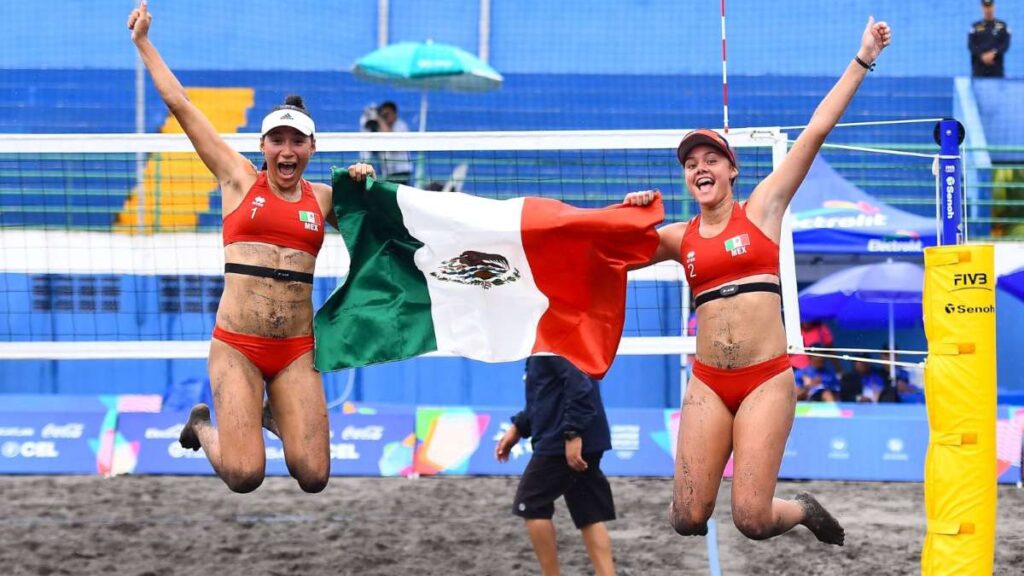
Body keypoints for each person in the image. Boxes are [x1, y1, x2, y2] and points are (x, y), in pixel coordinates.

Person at [623, 17, 891, 545]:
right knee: (686, 519)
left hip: (765, 379)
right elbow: (611, 252)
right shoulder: (679, 237)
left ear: (732, 169)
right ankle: (753, 505)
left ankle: (801, 508)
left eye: (711, 159)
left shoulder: (762, 209)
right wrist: (628, 214)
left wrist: (863, 58)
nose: (700, 167)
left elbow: (815, 131)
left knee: (751, 517)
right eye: (691, 163)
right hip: (708, 381)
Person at [128, 1, 376, 493]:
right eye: (277, 140)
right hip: (238, 346)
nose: (287, 150)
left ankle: (268, 412)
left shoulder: (325, 198)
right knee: (244, 475)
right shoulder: (237, 179)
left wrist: (366, 178)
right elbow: (181, 104)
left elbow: (382, 224)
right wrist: (143, 43)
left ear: (312, 148)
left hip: (295, 351)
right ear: (263, 146)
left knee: (314, 476)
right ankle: (203, 425)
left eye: (297, 142)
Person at [495, 356, 616, 576]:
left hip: (563, 440)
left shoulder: (555, 334)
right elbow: (544, 394)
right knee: (588, 511)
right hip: (583, 436)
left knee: (531, 503)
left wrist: (572, 433)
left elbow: (579, 383)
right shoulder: (547, 337)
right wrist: (519, 428)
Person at [363, 101, 413, 185]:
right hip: (388, 173)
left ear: (394, 113)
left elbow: (391, 141)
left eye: (387, 114)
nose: (385, 117)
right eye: (383, 114)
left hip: (401, 172)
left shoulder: (401, 126)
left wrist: (379, 119)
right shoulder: (381, 128)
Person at [969, 0, 1011, 78]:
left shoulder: (1002, 26)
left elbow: (1005, 44)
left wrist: (993, 53)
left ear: (994, 7)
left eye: (990, 7)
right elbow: (971, 45)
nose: (988, 10)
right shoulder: (975, 26)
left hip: (996, 70)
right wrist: (982, 55)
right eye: (985, 7)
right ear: (981, 8)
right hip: (979, 70)